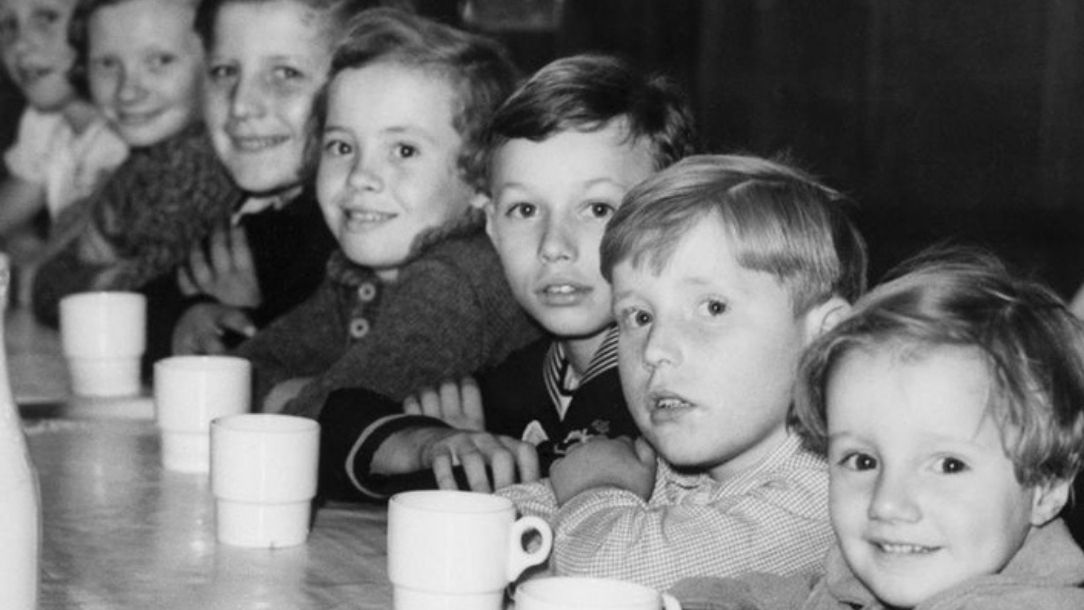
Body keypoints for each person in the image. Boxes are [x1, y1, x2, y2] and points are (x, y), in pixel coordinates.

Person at [316, 53, 697, 501]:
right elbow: (335, 424)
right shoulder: (525, 376)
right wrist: (439, 445)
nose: (554, 245)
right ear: (492, 229)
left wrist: (510, 481)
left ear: (671, 218)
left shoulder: (679, 380)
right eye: (525, 210)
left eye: (597, 209)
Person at [499, 154, 869, 590]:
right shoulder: (674, 472)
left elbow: (612, 581)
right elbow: (501, 523)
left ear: (823, 339)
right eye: (637, 316)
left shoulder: (827, 497)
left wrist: (593, 489)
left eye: (712, 308)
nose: (655, 350)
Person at [671, 247, 1084, 610]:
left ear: (1045, 487)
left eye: (948, 465)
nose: (887, 503)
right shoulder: (861, 580)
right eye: (862, 460)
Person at [233, 8, 539, 419]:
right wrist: (299, 395)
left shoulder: (458, 278)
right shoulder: (361, 275)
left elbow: (339, 415)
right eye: (342, 147)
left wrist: (296, 398)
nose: (360, 176)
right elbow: (241, 374)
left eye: (403, 151)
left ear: (483, 179)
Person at [168, 0, 379, 356]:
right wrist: (193, 314)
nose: (241, 105)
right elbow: (158, 293)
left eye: (285, 74)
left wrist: (252, 323)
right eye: (224, 71)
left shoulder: (360, 225)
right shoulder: (252, 206)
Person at [31, 0, 238, 339]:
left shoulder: (195, 162)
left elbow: (111, 307)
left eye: (159, 61)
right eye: (108, 63)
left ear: (214, 62)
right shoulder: (147, 161)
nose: (128, 90)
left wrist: (89, 269)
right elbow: (49, 284)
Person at [0, 0, 128, 300]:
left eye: (46, 17)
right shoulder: (45, 120)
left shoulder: (129, 130)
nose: (20, 45)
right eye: (7, 25)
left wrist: (35, 260)